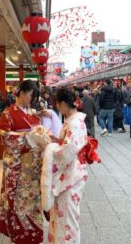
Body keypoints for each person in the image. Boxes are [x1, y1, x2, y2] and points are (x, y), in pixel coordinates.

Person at [0, 80, 44, 243]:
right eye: (31, 96)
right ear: (22, 93)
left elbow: (40, 132)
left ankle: (32, 234)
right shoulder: (8, 113)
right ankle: (18, 235)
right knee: (17, 202)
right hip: (17, 167)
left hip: (33, 168)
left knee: (33, 203)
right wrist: (28, 137)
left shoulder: (32, 113)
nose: (32, 100)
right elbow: (5, 136)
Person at [47, 88, 89, 244]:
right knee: (62, 217)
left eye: (58, 104)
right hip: (70, 174)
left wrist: (51, 151)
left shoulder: (74, 123)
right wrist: (54, 139)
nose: (58, 108)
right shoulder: (73, 121)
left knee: (67, 220)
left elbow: (68, 151)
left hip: (70, 176)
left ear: (63, 103)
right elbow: (67, 145)